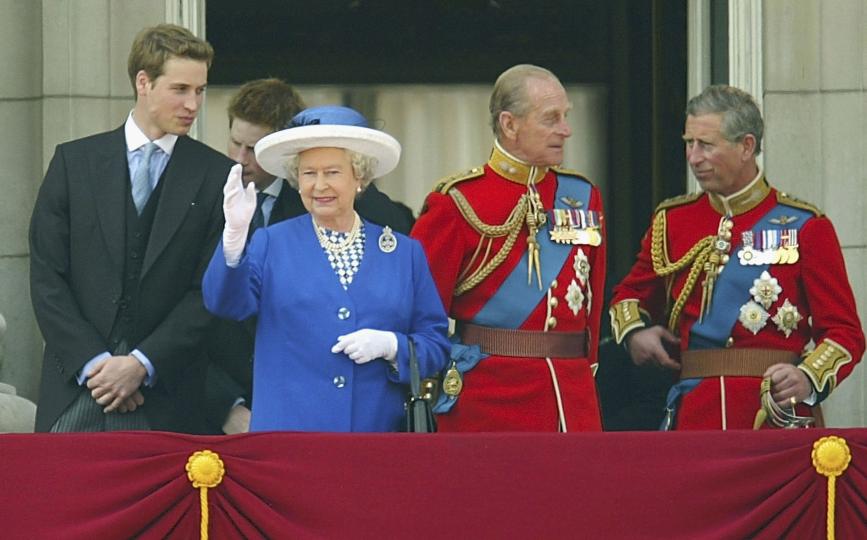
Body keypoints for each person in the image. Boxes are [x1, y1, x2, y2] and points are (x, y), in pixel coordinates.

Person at [609, 85, 865, 430]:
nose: (693, 157)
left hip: (775, 417)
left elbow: (844, 332)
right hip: (696, 415)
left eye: (706, 145)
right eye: (689, 143)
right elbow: (628, 296)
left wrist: (807, 377)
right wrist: (635, 334)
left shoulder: (806, 226)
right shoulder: (673, 221)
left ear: (746, 146)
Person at [29, 24, 234, 433]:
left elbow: (209, 291)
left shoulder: (218, 175)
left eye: (200, 90)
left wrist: (141, 364)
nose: (193, 104)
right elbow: (47, 275)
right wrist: (96, 365)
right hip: (77, 390)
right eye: (180, 89)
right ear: (144, 82)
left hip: (168, 399)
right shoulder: (74, 163)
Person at [203, 105, 451, 432]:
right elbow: (225, 304)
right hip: (289, 439)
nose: (319, 186)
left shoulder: (403, 253)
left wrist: (393, 346)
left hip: (375, 438)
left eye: (332, 172)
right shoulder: (271, 243)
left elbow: (435, 345)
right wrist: (233, 240)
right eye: (309, 173)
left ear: (359, 177)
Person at [411, 64, 607, 432]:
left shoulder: (581, 197)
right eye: (551, 119)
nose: (566, 130)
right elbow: (423, 311)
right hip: (487, 399)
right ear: (509, 124)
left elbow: (592, 308)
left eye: (565, 117)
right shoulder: (458, 201)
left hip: (570, 396)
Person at [204, 78, 307, 435]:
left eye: (254, 149)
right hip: (213, 406)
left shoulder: (312, 206)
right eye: (235, 142)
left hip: (297, 406)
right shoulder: (202, 197)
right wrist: (224, 406)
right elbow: (183, 309)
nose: (239, 159)